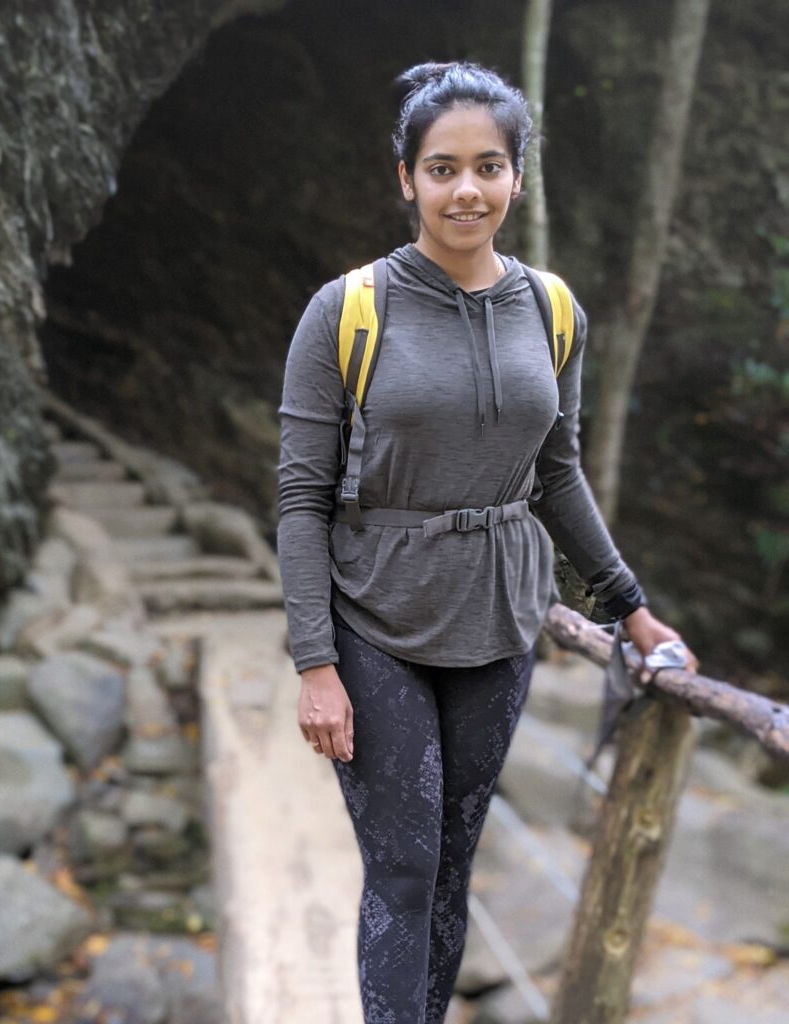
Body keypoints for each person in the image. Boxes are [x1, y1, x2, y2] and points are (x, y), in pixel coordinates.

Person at [274, 60, 698, 1023]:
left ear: (517, 176)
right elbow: (300, 499)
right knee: (403, 863)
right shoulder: (347, 310)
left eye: (488, 167)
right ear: (407, 179)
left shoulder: (552, 311)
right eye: (442, 169)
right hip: (375, 616)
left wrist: (631, 609)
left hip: (501, 619)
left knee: (452, 864)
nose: (466, 190)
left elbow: (558, 474)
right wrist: (314, 663)